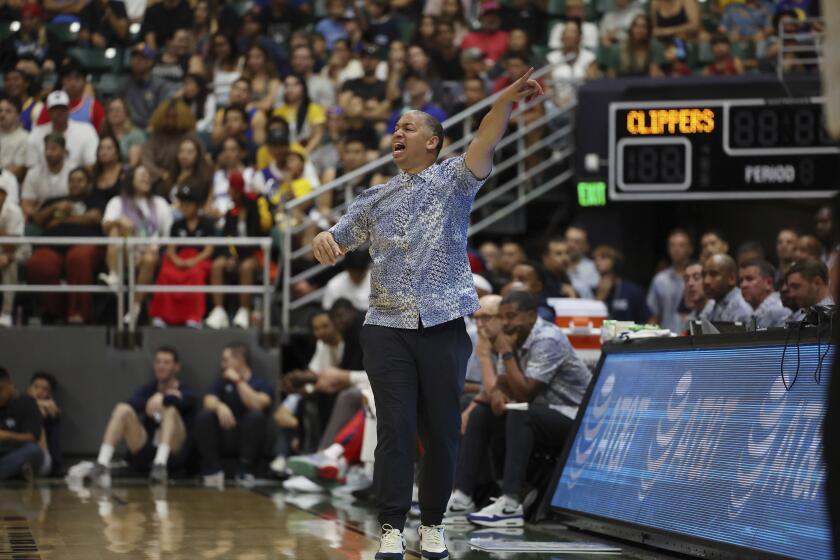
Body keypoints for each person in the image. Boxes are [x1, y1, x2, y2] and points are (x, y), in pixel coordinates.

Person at [311, 67, 543, 559]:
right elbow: (337, 235)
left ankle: (432, 523)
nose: (397, 133)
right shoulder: (374, 196)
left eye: (409, 127)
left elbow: (486, 135)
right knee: (394, 429)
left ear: (434, 143)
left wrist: (502, 101)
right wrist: (322, 240)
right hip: (385, 329)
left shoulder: (457, 180)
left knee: (440, 431)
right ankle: (392, 528)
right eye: (396, 128)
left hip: (443, 326)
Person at [446, 291, 591, 527]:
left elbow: (525, 392)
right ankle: (463, 497)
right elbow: (503, 382)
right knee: (482, 412)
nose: (505, 323)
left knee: (521, 411)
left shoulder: (548, 339)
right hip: (542, 412)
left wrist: (504, 350)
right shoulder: (514, 336)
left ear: (532, 315)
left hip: (576, 416)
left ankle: (511, 503)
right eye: (502, 317)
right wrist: (497, 394)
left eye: (512, 316)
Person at [87, 347, 196, 486]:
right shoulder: (148, 389)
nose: (161, 366)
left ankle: (160, 465)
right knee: (122, 409)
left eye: (166, 362)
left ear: (176, 367)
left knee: (170, 410)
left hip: (173, 452)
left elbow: (185, 401)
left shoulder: (186, 390)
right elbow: (131, 403)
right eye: (158, 362)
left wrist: (163, 398)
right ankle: (102, 463)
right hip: (146, 448)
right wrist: (154, 399)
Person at [25, 167, 107, 324]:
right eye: (71, 180)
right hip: (52, 244)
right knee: (38, 263)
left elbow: (95, 218)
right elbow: (37, 219)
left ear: (88, 184)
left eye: (79, 180)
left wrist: (62, 220)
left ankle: (78, 314)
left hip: (84, 243)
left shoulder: (94, 199)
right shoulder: (55, 201)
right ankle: (53, 312)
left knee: (77, 259)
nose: (75, 184)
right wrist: (55, 208)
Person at [100, 165, 174, 325]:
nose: (146, 179)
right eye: (142, 176)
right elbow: (105, 226)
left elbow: (168, 234)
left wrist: (157, 245)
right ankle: (114, 276)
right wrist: (118, 221)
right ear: (130, 179)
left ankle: (135, 307)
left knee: (149, 258)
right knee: (115, 229)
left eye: (148, 176)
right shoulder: (117, 202)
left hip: (151, 253)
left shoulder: (159, 203)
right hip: (125, 252)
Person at [196, 343, 273, 488]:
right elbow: (207, 400)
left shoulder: (261, 383)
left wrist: (238, 381)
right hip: (224, 432)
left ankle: (245, 469)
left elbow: (256, 403)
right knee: (204, 416)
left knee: (255, 416)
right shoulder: (221, 382)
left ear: (240, 360)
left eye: (226, 360)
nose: (222, 364)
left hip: (248, 438)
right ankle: (213, 469)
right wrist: (220, 406)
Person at [205, 172, 272, 330]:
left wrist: (245, 216)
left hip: (254, 253)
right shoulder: (230, 212)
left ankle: (244, 310)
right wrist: (229, 256)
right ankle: (219, 310)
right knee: (217, 265)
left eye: (231, 189)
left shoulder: (255, 206)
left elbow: (259, 233)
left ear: (237, 189)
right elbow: (227, 237)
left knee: (246, 267)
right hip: (236, 254)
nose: (229, 192)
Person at [148, 185, 215, 327]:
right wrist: (177, 260)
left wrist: (193, 261)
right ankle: (162, 316)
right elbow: (171, 249)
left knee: (196, 275)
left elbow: (209, 249)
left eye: (188, 204)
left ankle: (193, 317)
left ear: (197, 206)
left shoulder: (207, 224)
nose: (184, 207)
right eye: (182, 204)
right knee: (166, 274)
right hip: (179, 259)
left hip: (198, 259)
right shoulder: (176, 225)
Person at [25, 91, 98, 172]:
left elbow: (91, 164)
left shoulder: (86, 130)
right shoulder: (36, 134)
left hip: (77, 181)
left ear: (68, 110)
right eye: (55, 109)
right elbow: (32, 168)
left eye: (62, 109)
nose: (59, 112)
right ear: (49, 112)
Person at [36, 61, 106, 132]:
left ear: (85, 81)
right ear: (62, 81)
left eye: (77, 78)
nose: (73, 83)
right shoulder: (51, 104)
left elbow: (101, 134)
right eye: (68, 79)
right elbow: (40, 130)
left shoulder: (94, 106)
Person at [0, 367, 43, 480]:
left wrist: (6, 436)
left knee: (34, 451)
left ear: (10, 384)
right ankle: (14, 472)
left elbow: (32, 437)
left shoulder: (27, 402)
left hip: (16, 451)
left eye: (0, 390)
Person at [647, 228, 693, 332]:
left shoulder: (699, 278)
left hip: (693, 339)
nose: (677, 249)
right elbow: (653, 316)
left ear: (690, 248)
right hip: (666, 339)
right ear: (668, 249)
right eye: (672, 245)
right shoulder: (659, 280)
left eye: (682, 245)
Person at [119, 44, 173, 130]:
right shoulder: (124, 84)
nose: (137, 61)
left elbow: (163, 111)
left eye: (142, 58)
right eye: (134, 57)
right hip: (128, 129)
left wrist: (153, 125)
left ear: (150, 62)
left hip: (151, 129)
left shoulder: (160, 86)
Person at [20, 133, 72, 222]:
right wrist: (42, 214)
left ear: (63, 151)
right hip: (40, 219)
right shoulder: (33, 173)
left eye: (53, 149)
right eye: (46, 149)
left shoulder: (74, 171)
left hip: (69, 218)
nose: (48, 153)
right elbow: (26, 205)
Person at [593, 245, 651, 323]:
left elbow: (649, 319)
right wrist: (599, 297)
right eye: (595, 258)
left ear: (615, 261)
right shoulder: (593, 290)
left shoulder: (632, 291)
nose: (598, 261)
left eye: (604, 257)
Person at [27, 372, 62, 476]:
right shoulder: (19, 404)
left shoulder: (51, 409)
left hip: (46, 458)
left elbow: (54, 411)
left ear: (50, 394)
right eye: (36, 387)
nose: (39, 391)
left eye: (44, 389)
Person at [739, 259, 791, 328]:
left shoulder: (778, 310)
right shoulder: (757, 310)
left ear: (768, 283)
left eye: (749, 279)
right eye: (741, 280)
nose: (743, 285)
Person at [702, 253, 753, 323]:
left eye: (713, 274)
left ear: (732, 279)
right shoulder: (711, 305)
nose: (706, 281)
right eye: (704, 275)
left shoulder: (741, 308)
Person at [0, 180, 23, 327]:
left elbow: (12, 246)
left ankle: (6, 313)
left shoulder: (13, 211)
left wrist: (6, 256)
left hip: (13, 250)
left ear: (4, 195)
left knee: (11, 263)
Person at [101, 97, 147, 167]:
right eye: (111, 110)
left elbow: (140, 161)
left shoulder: (136, 135)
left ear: (126, 113)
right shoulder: (103, 135)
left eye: (118, 110)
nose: (114, 113)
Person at [0, 97, 28, 182]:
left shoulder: (25, 138)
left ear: (17, 115)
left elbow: (17, 170)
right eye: (0, 110)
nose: (2, 114)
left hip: (11, 186)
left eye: (8, 111)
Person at [565, 226, 600, 291]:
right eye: (568, 240)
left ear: (586, 246)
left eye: (577, 242)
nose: (571, 245)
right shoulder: (553, 266)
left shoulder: (595, 268)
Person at [682, 261, 711, 325]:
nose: (690, 283)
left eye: (696, 277)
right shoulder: (690, 319)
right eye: (686, 279)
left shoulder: (717, 313)